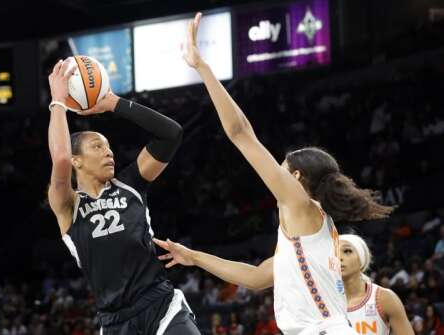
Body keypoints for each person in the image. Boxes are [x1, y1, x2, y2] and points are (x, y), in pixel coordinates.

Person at [153, 12, 393, 335]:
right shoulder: (304, 232)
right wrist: (193, 257)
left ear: (295, 177)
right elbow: (254, 278)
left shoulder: (300, 204)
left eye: (280, 168)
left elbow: (240, 132)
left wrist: (202, 67)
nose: (273, 174)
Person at [47, 59, 200, 335]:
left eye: (109, 147)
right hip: (116, 323)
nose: (109, 153)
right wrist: (58, 101)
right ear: (77, 161)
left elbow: (171, 134)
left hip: (161, 306)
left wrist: (113, 103)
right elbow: (59, 158)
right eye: (98, 147)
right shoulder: (68, 205)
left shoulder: (130, 183)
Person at [339, 234, 414, 335]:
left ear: (362, 258)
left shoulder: (384, 298)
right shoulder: (321, 302)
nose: (339, 257)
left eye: (347, 251)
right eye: (334, 252)